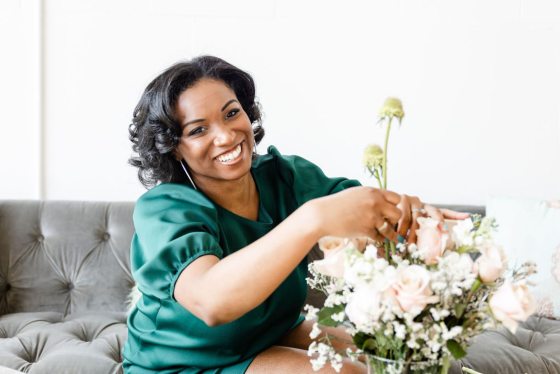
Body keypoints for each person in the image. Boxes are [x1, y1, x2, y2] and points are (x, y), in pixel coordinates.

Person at [122, 55, 468, 374]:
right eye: (198, 130)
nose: (226, 136)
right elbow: (213, 302)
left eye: (231, 113)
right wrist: (313, 218)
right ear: (174, 146)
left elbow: (365, 207)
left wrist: (418, 217)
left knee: (400, 359)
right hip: (184, 364)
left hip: (267, 334)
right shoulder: (164, 209)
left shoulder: (284, 176)